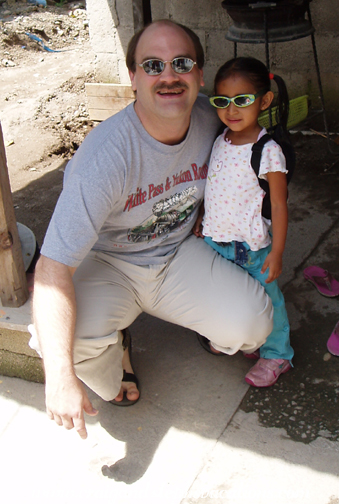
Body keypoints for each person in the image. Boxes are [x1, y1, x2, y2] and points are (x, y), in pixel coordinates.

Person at [30, 21, 273, 440]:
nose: (168, 75)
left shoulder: (213, 119)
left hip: (178, 252)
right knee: (61, 348)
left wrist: (214, 212)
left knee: (252, 326)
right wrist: (59, 378)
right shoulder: (104, 157)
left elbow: (252, 169)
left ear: (198, 75)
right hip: (110, 262)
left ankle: (201, 324)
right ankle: (115, 354)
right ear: (133, 78)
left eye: (181, 63)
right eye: (152, 65)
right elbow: (52, 270)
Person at [193, 57, 294, 387]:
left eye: (243, 100)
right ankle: (246, 338)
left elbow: (278, 204)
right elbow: (216, 186)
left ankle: (277, 354)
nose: (231, 110)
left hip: (251, 248)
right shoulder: (220, 139)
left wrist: (276, 252)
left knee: (269, 300)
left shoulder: (268, 151)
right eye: (222, 101)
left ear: (264, 101)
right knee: (226, 295)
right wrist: (204, 219)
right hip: (216, 243)